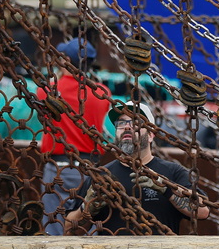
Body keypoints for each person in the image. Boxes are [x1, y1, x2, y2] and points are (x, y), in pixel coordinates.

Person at [63, 100, 210, 235]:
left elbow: (203, 212)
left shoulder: (172, 172)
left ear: (151, 135)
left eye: (136, 122)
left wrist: (167, 189)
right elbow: (70, 232)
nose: (127, 126)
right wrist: (87, 208)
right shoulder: (101, 176)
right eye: (121, 123)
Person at [38, 37, 111, 235]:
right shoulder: (102, 93)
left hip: (58, 169)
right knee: (88, 224)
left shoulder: (47, 91)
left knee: (53, 227)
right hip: (90, 169)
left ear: (64, 60)